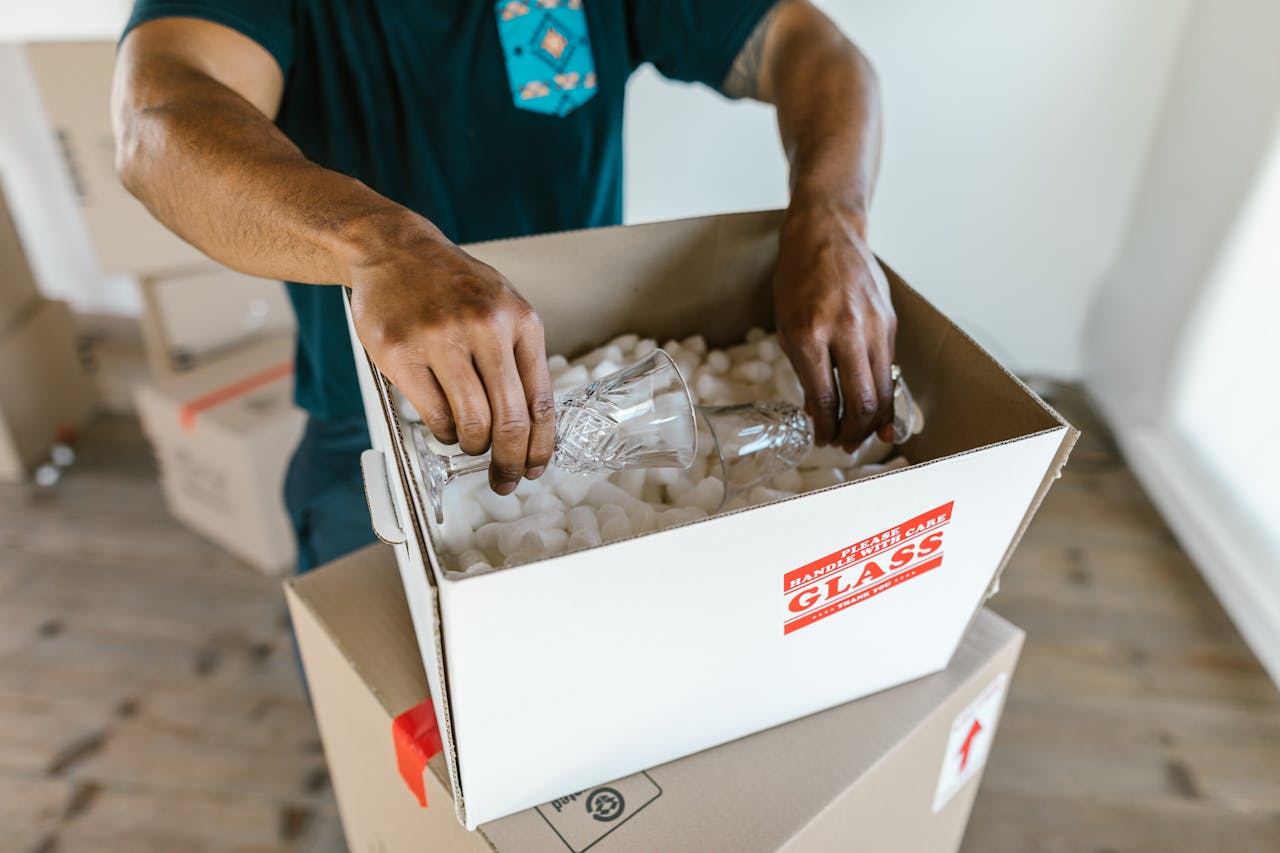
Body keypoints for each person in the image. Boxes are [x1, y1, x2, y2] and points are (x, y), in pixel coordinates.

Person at [113, 0, 896, 574]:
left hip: (577, 385)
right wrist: (382, 247)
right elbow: (158, 120)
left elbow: (807, 44)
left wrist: (831, 220)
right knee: (387, 715)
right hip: (370, 425)